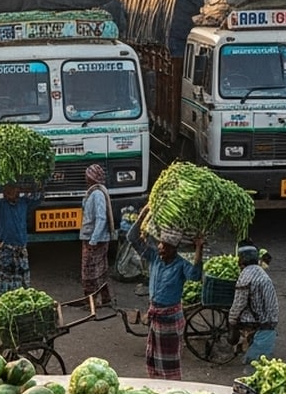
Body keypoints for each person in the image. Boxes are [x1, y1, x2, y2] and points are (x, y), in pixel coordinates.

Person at [127, 207, 204, 380]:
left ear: (174, 249)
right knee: (153, 358)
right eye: (160, 244)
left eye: (165, 246)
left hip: (170, 318)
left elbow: (195, 275)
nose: (160, 248)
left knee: (169, 361)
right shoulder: (154, 257)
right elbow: (132, 238)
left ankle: (173, 386)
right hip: (156, 315)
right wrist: (143, 215)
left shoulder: (180, 264)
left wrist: (199, 248)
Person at [0, 180, 41, 296]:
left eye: (13, 190)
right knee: (2, 284)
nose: (10, 193)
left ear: (18, 192)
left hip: (20, 249)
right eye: (8, 191)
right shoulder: (0, 205)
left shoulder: (24, 203)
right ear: (4, 193)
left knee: (23, 285)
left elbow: (38, 198)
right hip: (5, 249)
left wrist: (39, 185)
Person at [229, 244, 279, 369]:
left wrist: (232, 321)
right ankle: (245, 346)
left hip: (259, 320)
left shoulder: (246, 277)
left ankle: (244, 347)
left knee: (254, 363)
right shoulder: (260, 272)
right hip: (271, 317)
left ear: (242, 260)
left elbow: (239, 304)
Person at [77, 163, 114, 304]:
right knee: (101, 270)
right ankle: (105, 298)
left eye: (88, 175)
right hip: (96, 237)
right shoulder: (94, 192)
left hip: (94, 239)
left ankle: (91, 301)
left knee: (89, 272)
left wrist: (93, 240)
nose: (86, 178)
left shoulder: (97, 194)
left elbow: (101, 218)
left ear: (92, 178)